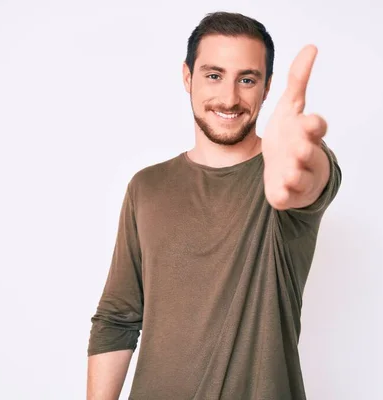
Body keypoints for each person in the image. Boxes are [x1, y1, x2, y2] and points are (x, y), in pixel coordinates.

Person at [86, 11, 342, 400]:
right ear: (187, 77)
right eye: (213, 75)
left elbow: (310, 182)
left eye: (247, 79)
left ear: (267, 87)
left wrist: (302, 169)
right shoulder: (147, 187)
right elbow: (117, 319)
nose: (229, 97)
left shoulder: (286, 169)